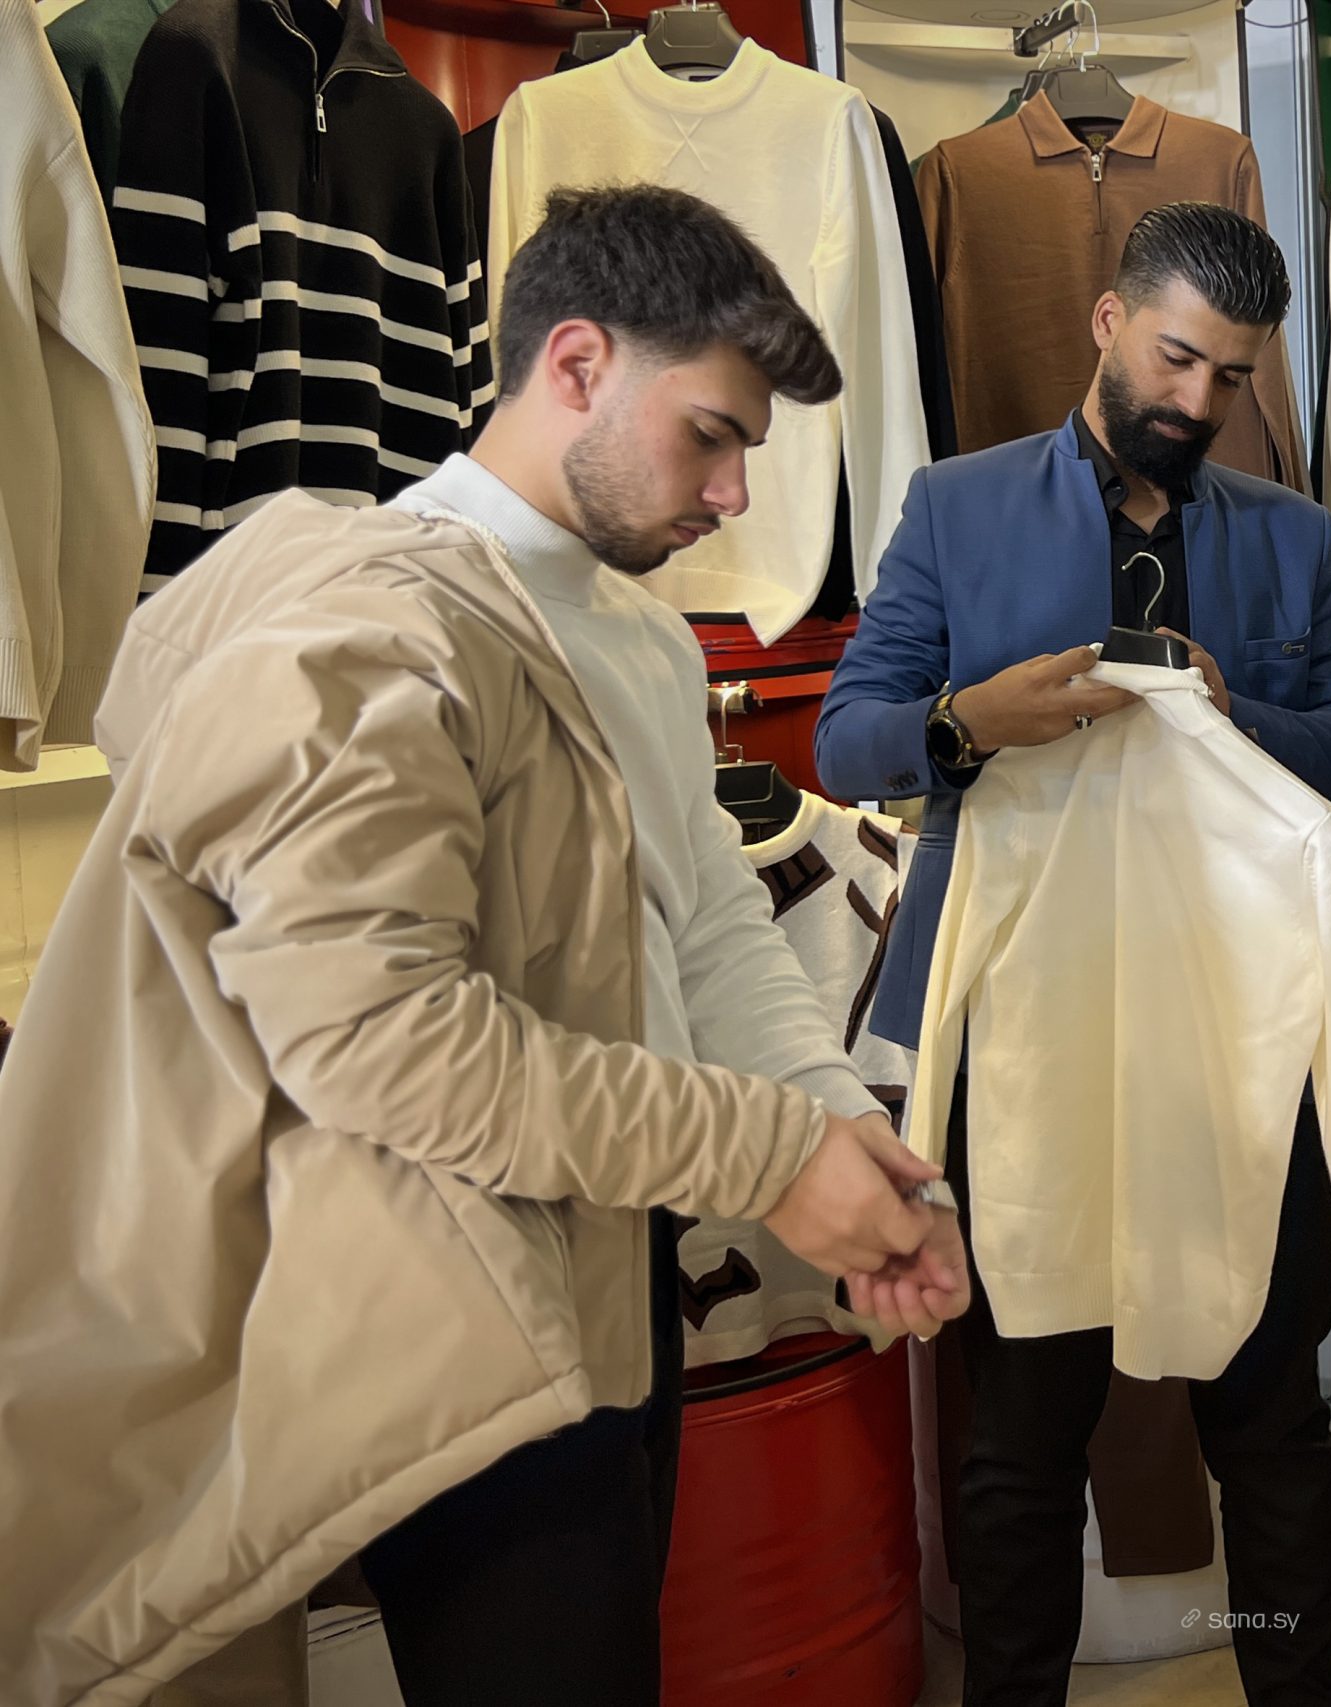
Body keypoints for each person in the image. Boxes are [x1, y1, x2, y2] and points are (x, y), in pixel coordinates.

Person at [0, 184, 968, 1707]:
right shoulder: (369, 633)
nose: (733, 497)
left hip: (618, 1247)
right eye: (710, 436)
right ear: (575, 363)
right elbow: (381, 1042)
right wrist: (774, 1157)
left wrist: (845, 1132)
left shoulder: (645, 639)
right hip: (420, 1283)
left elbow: (710, 928)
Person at [814, 202, 1331, 1707]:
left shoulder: (1287, 533)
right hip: (1031, 1032)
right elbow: (847, 736)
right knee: (1022, 1434)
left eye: (1233, 376)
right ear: (1106, 322)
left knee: (1270, 1423)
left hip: (1243, 1031)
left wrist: (1234, 714)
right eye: (1177, 358)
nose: (1199, 402)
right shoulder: (957, 507)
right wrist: (968, 723)